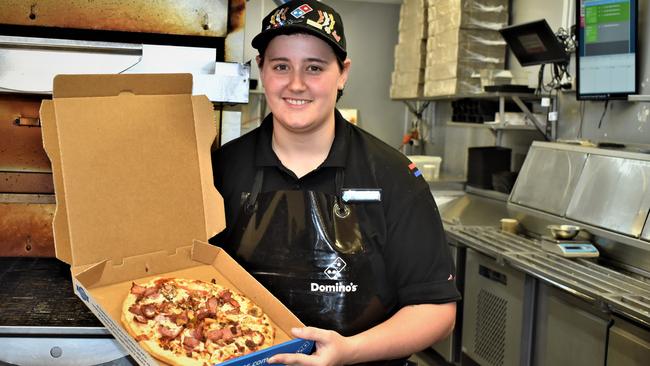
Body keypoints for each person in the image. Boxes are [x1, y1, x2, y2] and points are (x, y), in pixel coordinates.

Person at [210, 1, 460, 364]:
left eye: (314, 68)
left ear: (342, 73)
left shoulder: (392, 175)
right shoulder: (221, 170)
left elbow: (435, 310)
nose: (296, 84)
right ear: (261, 70)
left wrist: (348, 351)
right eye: (281, 66)